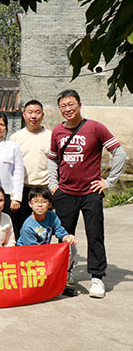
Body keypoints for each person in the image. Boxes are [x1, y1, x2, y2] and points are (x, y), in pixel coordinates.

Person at [48, 89, 127, 298]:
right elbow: (52, 158)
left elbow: (119, 153)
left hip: (90, 192)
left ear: (80, 105)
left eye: (71, 104)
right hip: (65, 192)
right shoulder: (57, 131)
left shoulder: (95, 127)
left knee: (95, 235)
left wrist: (109, 181)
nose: (67, 109)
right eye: (63, 106)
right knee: (63, 236)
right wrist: (53, 184)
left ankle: (97, 278)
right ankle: (65, 273)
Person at [10, 100, 52, 234]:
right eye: (30, 112)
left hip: (44, 188)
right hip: (23, 189)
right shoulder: (15, 138)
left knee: (43, 230)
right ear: (24, 115)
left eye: (37, 112)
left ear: (42, 115)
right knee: (20, 228)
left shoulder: (51, 137)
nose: (33, 116)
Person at [17, 187, 77, 279]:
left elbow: (61, 233)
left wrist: (68, 237)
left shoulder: (52, 216)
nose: (40, 205)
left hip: (43, 251)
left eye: (44, 202)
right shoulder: (28, 226)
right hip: (27, 256)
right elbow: (32, 251)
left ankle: (62, 276)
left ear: (49, 204)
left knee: (72, 248)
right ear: (30, 204)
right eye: (36, 202)